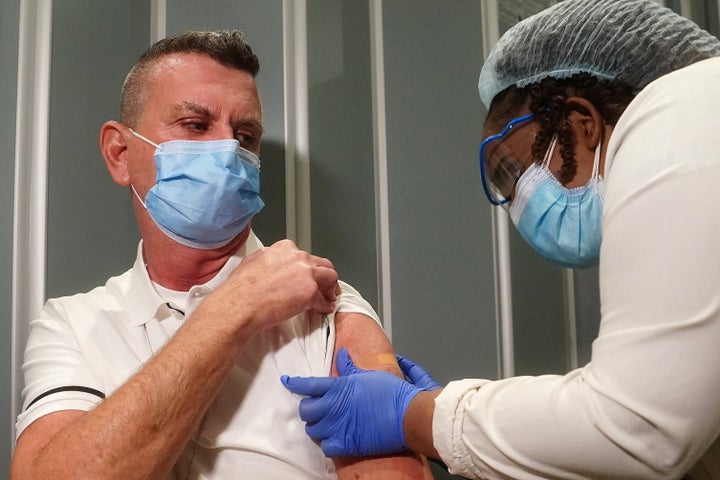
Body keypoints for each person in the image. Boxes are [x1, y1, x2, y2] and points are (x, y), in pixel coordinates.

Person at [282, 1, 720, 478]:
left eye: (510, 170)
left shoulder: (678, 114)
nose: (516, 204)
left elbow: (637, 428)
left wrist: (419, 417)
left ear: (583, 122)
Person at [10, 30, 431, 480]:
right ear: (120, 152)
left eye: (245, 135)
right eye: (195, 125)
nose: (228, 150)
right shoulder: (73, 324)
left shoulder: (325, 305)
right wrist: (235, 306)